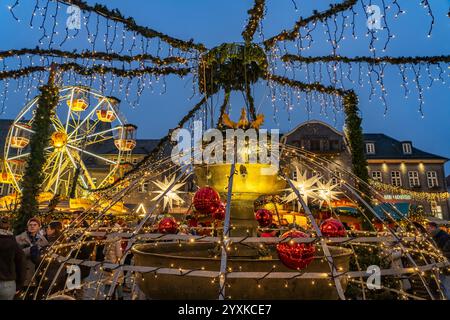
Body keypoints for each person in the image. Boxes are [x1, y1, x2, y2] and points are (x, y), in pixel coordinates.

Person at [16, 218, 49, 288]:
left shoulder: (43, 240)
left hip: (38, 273)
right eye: (30, 225)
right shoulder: (18, 238)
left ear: (39, 227)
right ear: (27, 227)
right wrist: (30, 250)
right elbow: (16, 254)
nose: (32, 226)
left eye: (35, 225)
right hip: (24, 272)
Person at [0, 217, 25, 300]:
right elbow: (21, 265)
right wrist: (20, 284)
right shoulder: (14, 244)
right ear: (9, 227)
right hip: (7, 284)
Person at [426, 222, 450, 299]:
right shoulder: (435, 236)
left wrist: (439, 254)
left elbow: (444, 251)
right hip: (438, 264)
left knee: (443, 285)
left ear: (433, 227)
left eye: (428, 228)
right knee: (439, 285)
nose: (427, 230)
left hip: (444, 265)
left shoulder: (443, 236)